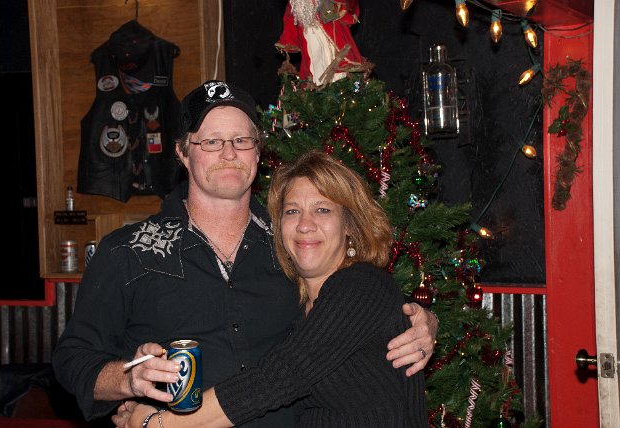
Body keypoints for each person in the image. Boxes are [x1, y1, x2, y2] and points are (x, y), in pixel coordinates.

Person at [52, 80, 436, 426]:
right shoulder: (128, 251)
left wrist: (420, 323)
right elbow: (72, 361)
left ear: (257, 153)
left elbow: (353, 313)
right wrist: (128, 378)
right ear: (183, 153)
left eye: (241, 140)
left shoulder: (292, 244)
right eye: (211, 141)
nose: (229, 153)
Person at [113, 150, 428, 427]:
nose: (305, 224)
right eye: (292, 211)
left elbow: (278, 377)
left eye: (322, 209)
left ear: (350, 226)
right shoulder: (296, 305)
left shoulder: (361, 285)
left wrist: (159, 424)